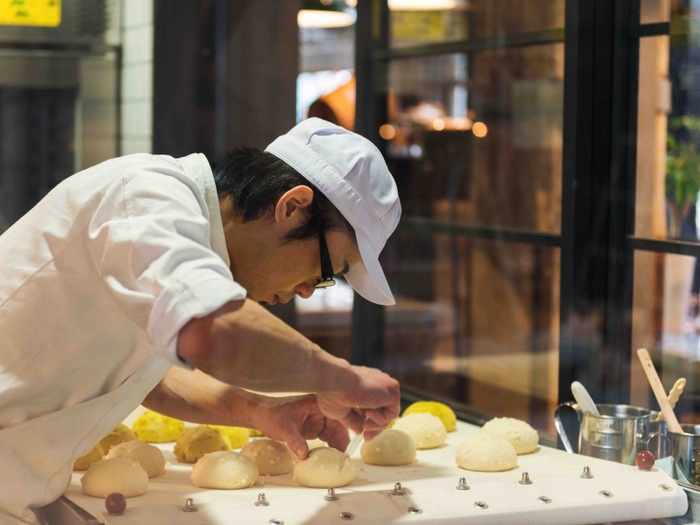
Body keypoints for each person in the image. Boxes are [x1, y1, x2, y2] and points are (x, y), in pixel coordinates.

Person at [0, 118, 402, 524]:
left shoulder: (180, 232)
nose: (305, 291)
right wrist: (339, 378)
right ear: (292, 207)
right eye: (326, 270)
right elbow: (208, 332)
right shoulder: (147, 197)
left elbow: (145, 375)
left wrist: (260, 411)